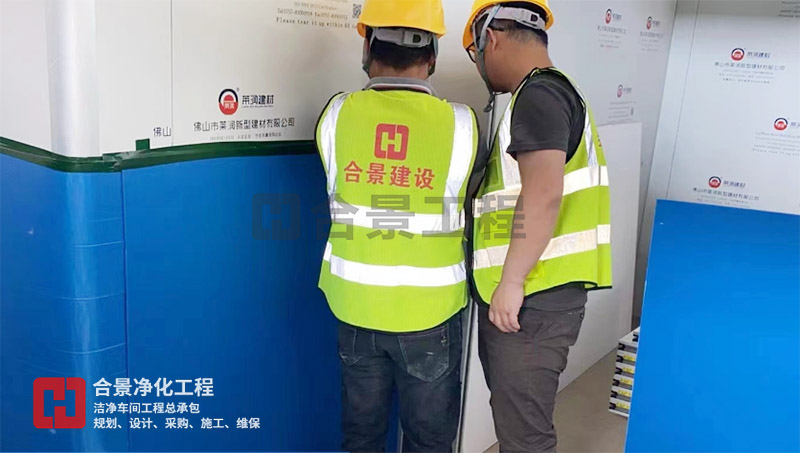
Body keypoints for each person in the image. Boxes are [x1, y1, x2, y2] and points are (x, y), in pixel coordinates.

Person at [314, 1, 480, 451]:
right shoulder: (464, 125)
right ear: (432, 55)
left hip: (355, 308)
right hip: (430, 316)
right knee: (428, 441)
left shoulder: (335, 115)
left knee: (361, 436)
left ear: (367, 47)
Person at [462, 0, 613, 451]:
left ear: (491, 38)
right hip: (539, 293)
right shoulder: (552, 92)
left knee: (525, 435)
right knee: (519, 422)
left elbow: (543, 194)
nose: (479, 66)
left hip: (532, 297)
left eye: (475, 53)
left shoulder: (539, 95)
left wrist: (511, 282)